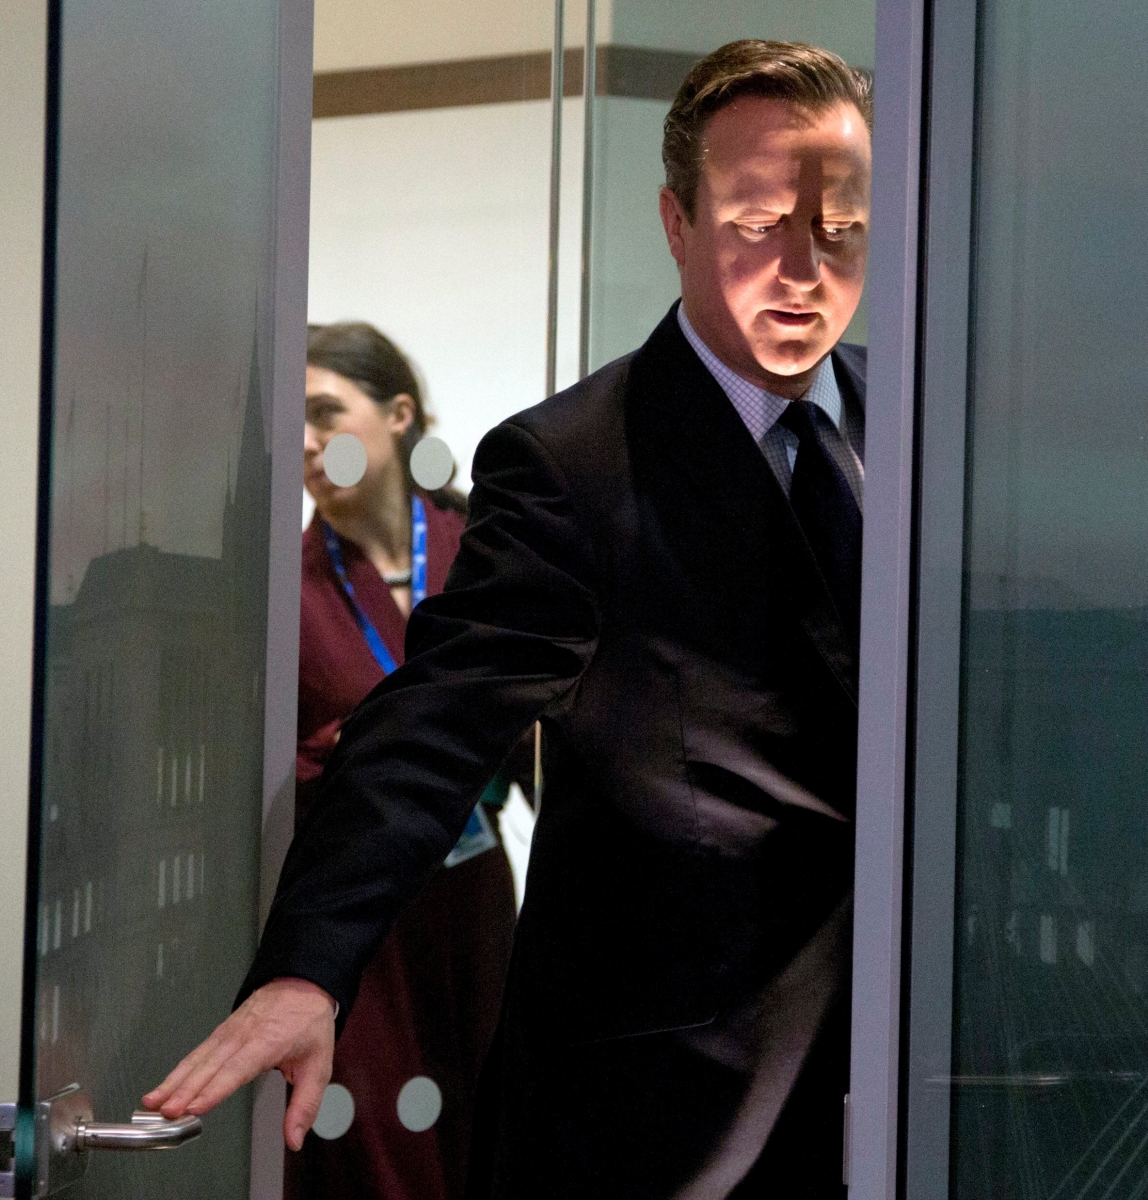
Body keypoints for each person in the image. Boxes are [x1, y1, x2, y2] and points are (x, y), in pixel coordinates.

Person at [147, 40, 874, 1199]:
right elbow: (430, 728)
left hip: (884, 1080)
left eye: (836, 228)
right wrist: (308, 970)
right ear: (676, 223)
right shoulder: (569, 466)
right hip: (663, 1119)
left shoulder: (920, 436)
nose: (801, 267)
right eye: (755, 221)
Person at [295, 322, 517, 1199]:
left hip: (473, 896)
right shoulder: (288, 585)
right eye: (295, 421)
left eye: (325, 412)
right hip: (366, 924)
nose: (308, 441)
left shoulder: (484, 556)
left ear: (398, 416)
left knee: (492, 1130)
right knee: (386, 1156)